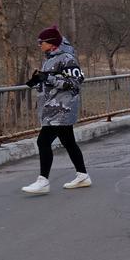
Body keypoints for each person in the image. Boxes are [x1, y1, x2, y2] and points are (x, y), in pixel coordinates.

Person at [21, 26, 91, 194]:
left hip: (62, 109)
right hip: (53, 108)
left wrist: (49, 78)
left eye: (41, 42)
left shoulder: (67, 58)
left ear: (51, 43)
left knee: (43, 142)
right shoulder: (50, 59)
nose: (39, 45)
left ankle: (43, 181)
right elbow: (52, 83)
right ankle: (83, 176)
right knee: (69, 142)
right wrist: (38, 81)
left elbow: (75, 82)